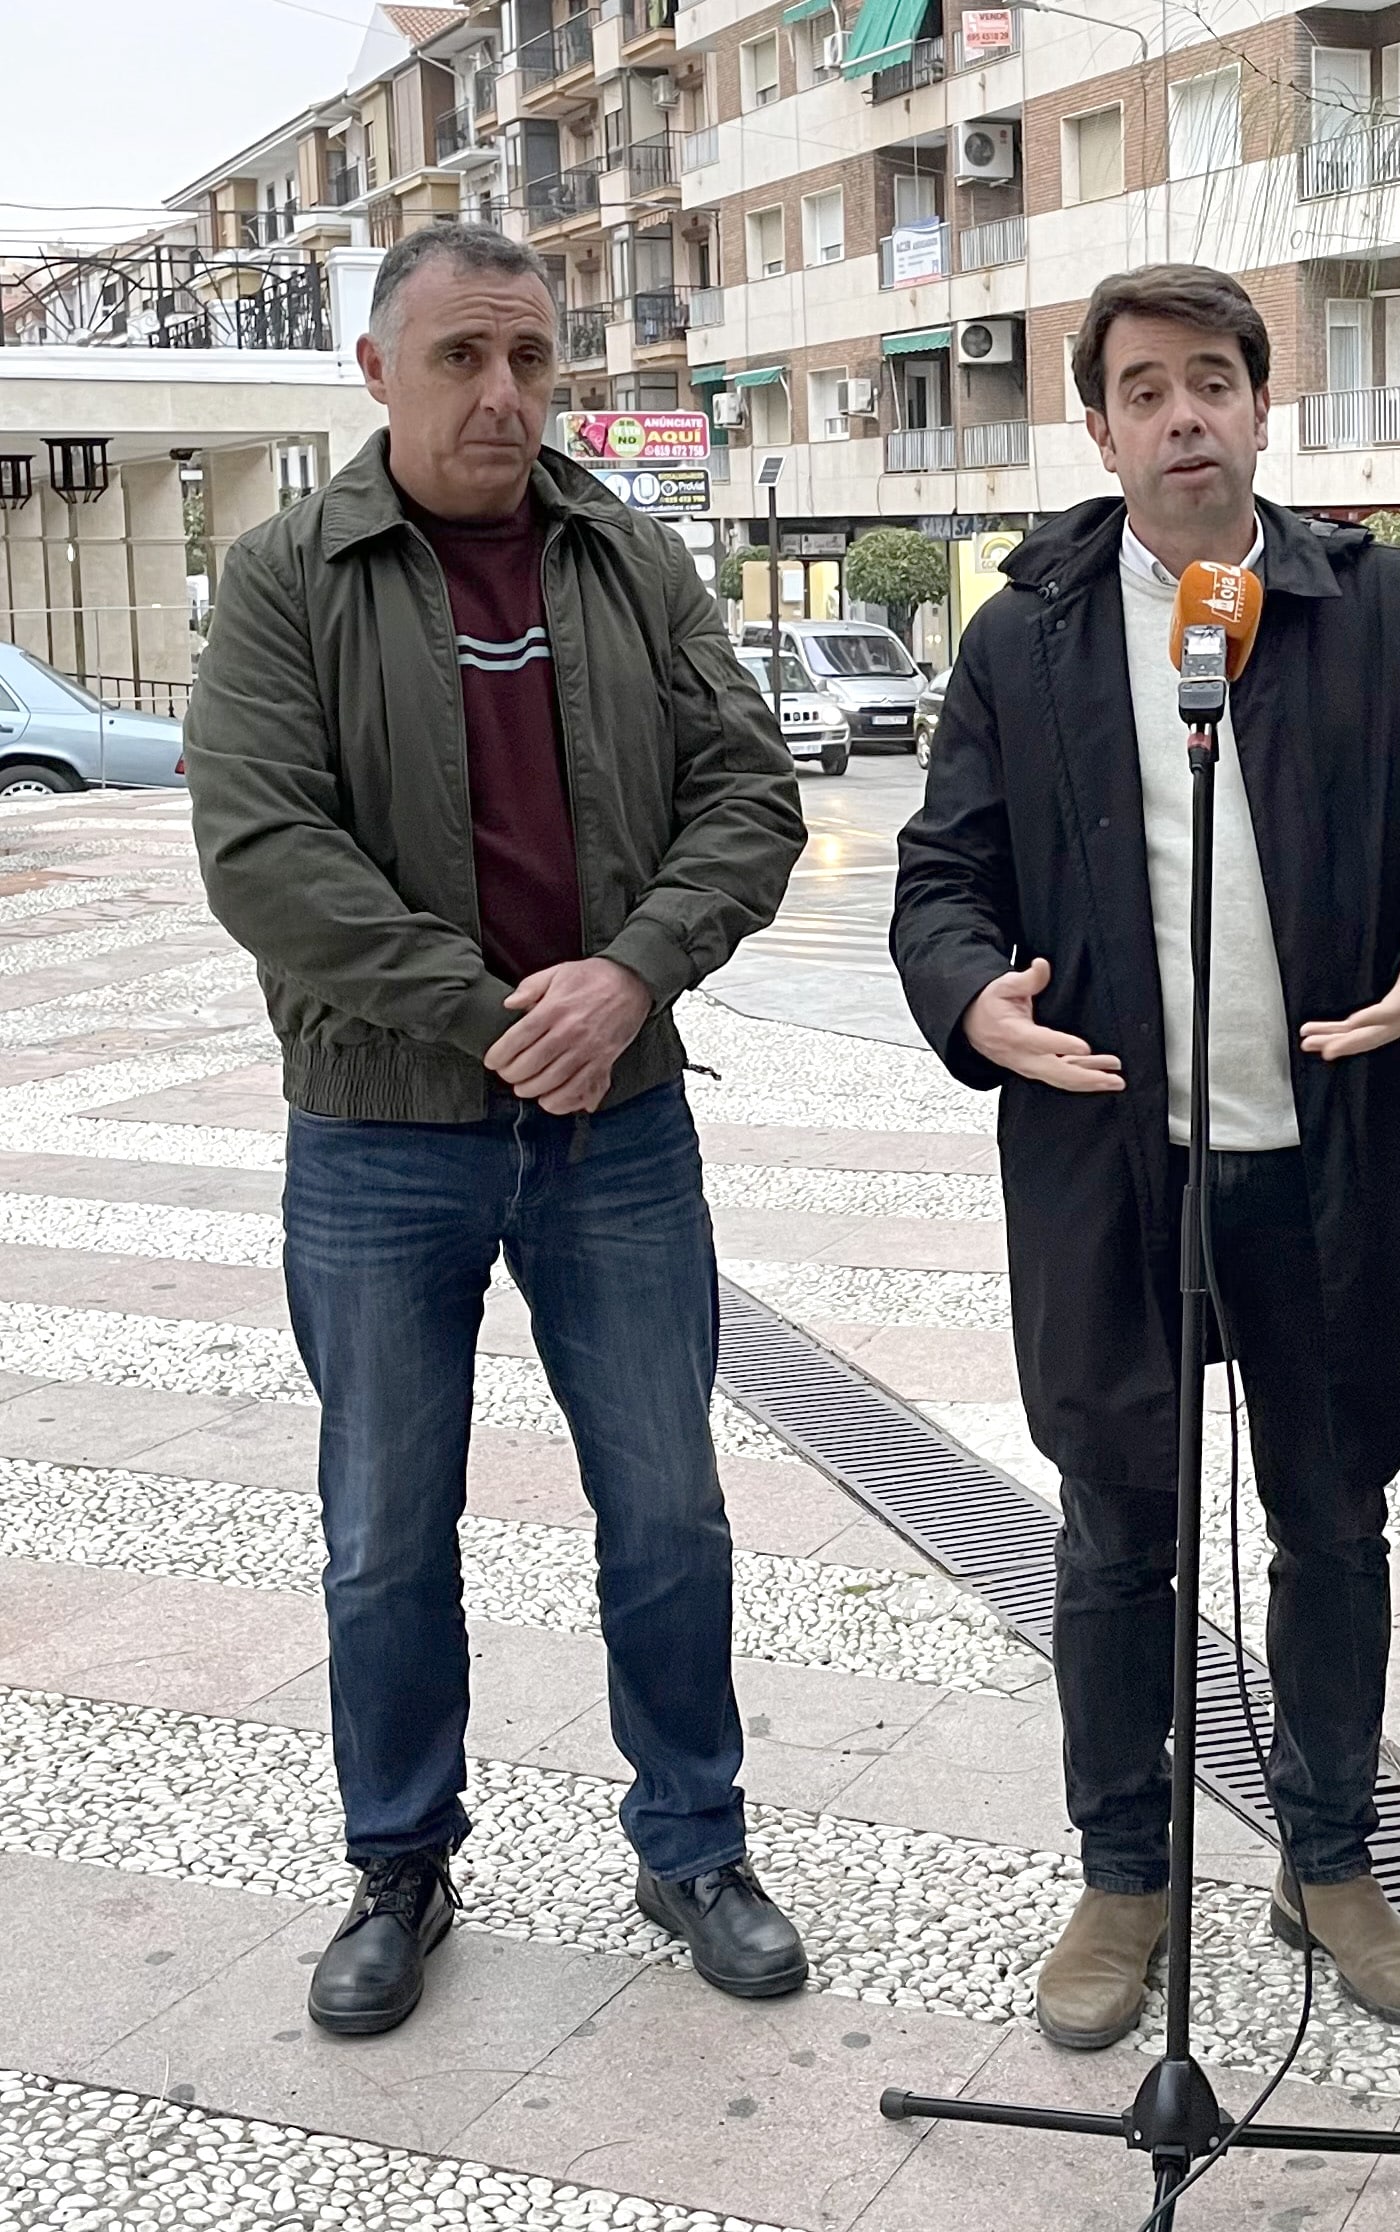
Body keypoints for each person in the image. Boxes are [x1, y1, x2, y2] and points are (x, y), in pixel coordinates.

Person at [892, 265, 1400, 2049]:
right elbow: (940, 879)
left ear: (1265, 409)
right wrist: (975, 1006)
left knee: (1335, 1525)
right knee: (1117, 1535)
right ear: (1096, 431)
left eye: (1213, 384)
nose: (1183, 416)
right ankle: (1124, 1873)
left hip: (1333, 1156)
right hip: (1116, 1170)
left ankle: (1331, 1858)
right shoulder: (1021, 638)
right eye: (1144, 390)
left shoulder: (1387, 607)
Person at [184, 224, 811, 2037]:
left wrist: (627, 980)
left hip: (620, 1128)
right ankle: (397, 1862)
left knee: (670, 1511)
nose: (504, 396)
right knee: (385, 1527)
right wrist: (496, 1014)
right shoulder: (289, 576)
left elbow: (750, 792)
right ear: (376, 371)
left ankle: (694, 1842)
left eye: (531, 360)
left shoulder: (627, 554)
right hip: (384, 1135)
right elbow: (265, 856)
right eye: (462, 358)